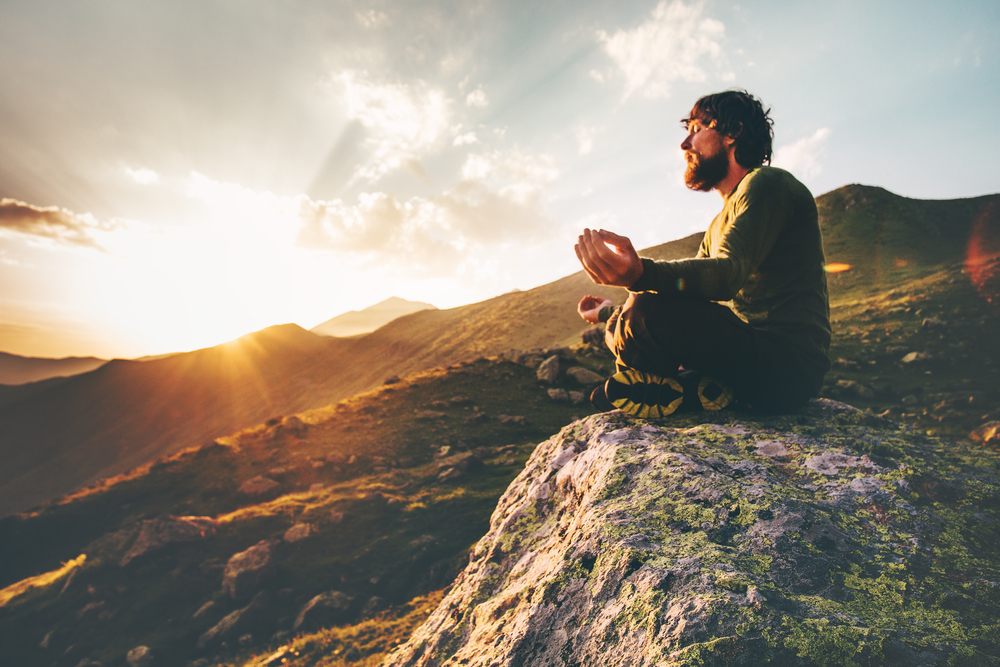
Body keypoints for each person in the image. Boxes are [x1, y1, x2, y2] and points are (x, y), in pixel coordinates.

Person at [575, 90, 831, 418]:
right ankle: (688, 390)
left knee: (645, 307)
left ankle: (657, 382)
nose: (686, 144)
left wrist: (640, 274)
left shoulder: (768, 183)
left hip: (789, 368)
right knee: (637, 310)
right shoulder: (716, 226)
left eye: (696, 129)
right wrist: (609, 314)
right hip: (751, 359)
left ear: (733, 132)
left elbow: (727, 274)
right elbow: (687, 302)